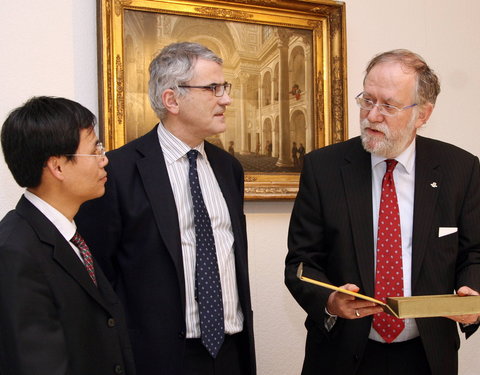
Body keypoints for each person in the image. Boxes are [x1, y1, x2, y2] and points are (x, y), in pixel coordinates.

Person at [284, 49, 480, 375]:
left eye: (388, 105)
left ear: (423, 114)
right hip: (341, 354)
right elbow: (302, 262)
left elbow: (475, 252)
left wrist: (473, 296)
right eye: (367, 100)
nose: (372, 115)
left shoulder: (460, 169)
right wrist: (329, 302)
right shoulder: (324, 168)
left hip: (427, 355)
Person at [76, 42, 256, 375]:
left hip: (231, 351)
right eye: (213, 88)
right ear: (171, 99)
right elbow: (98, 276)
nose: (226, 99)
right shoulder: (117, 170)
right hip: (157, 358)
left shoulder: (229, 169)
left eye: (225, 88)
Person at [0, 96, 135, 375]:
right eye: (95, 149)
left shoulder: (70, 234)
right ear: (57, 167)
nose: (104, 159)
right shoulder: (15, 249)